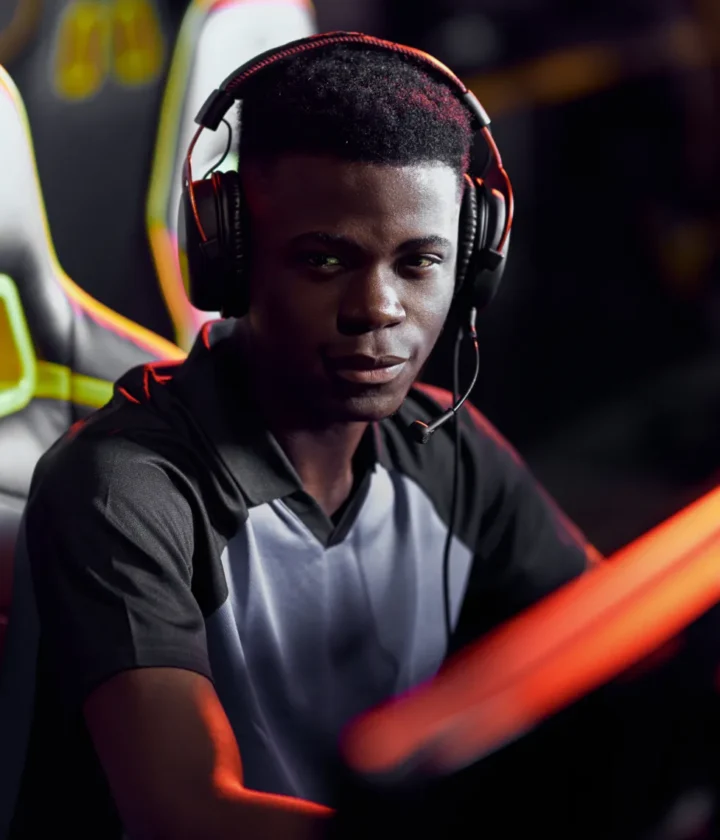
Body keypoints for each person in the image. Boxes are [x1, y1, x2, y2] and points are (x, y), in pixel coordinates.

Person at [2, 33, 600, 840]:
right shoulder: (125, 489)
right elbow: (182, 811)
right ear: (229, 260)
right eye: (324, 261)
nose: (378, 309)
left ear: (471, 265)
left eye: (419, 263)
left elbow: (611, 636)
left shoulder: (446, 448)